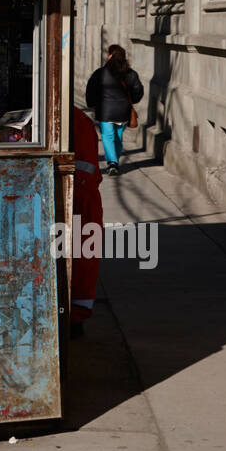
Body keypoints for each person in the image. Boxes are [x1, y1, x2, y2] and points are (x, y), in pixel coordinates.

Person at [85, 43, 144, 175]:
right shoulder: (131, 74)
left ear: (111, 56)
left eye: (108, 54)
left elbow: (91, 89)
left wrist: (92, 103)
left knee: (107, 136)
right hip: (123, 111)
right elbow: (138, 90)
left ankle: (112, 162)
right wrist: (132, 101)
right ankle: (114, 161)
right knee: (118, 137)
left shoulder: (100, 73)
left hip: (106, 111)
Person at [71, 106, 104, 338]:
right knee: (83, 257)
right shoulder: (79, 119)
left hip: (80, 196)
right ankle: (77, 316)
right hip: (84, 194)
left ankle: (75, 316)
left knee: (81, 256)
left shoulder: (73, 120)